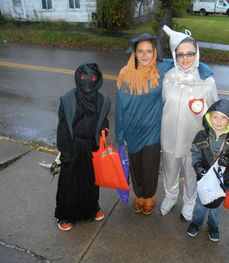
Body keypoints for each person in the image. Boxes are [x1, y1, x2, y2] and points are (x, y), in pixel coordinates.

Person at [160, 25, 219, 221]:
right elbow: (162, 102)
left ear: (197, 53)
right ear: (174, 55)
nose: (185, 58)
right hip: (169, 135)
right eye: (180, 54)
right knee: (170, 169)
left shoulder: (206, 80)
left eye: (190, 53)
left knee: (191, 171)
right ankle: (170, 195)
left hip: (193, 137)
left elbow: (214, 111)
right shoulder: (167, 77)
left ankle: (189, 200)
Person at [115, 33, 174, 215]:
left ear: (155, 52)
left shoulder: (161, 71)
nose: (145, 55)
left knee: (150, 167)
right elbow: (119, 106)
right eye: (140, 51)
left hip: (152, 130)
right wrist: (120, 134)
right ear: (134, 53)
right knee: (135, 167)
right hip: (131, 129)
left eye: (149, 51)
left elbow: (186, 62)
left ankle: (149, 197)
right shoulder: (124, 74)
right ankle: (138, 196)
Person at [55, 63, 111, 231]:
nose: (87, 82)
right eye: (83, 78)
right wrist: (65, 152)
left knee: (92, 180)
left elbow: (103, 121)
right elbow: (63, 127)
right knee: (70, 182)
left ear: (98, 80)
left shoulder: (102, 99)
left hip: (92, 145)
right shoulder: (68, 100)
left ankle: (92, 209)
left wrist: (104, 130)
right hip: (73, 145)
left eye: (92, 79)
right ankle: (65, 215)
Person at [187, 98, 229, 242]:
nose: (219, 121)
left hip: (223, 182)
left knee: (215, 207)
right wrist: (197, 165)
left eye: (223, 118)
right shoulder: (201, 136)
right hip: (203, 180)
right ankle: (196, 222)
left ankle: (213, 225)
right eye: (215, 117)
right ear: (209, 117)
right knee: (200, 204)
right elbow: (195, 152)